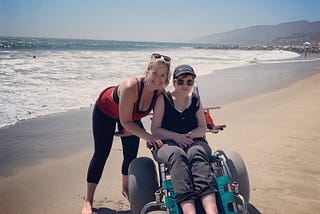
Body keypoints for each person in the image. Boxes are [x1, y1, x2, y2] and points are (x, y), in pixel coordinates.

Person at [81, 53, 170, 214]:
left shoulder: (160, 92)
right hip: (106, 111)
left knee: (130, 155)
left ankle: (125, 188)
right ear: (147, 71)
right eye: (155, 73)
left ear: (166, 78)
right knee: (101, 154)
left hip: (130, 118)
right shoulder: (130, 87)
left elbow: (163, 115)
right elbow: (125, 122)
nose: (158, 78)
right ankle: (88, 200)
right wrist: (148, 136)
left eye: (163, 75)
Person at [151, 65, 219, 214]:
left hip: (193, 141)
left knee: (196, 153)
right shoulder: (164, 99)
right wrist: (177, 137)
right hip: (167, 143)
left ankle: (211, 209)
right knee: (177, 156)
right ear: (174, 82)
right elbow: (155, 130)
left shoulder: (195, 100)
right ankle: (189, 210)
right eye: (181, 81)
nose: (185, 85)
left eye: (189, 82)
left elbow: (202, 127)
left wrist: (189, 136)